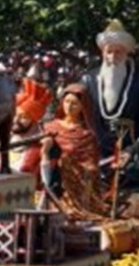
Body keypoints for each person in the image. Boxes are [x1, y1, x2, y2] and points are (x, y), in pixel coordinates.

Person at [80, 20, 139, 160]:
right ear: (102, 52)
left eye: (118, 52)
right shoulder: (88, 80)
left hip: (132, 154)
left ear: (126, 53)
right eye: (109, 52)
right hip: (95, 153)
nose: (113, 57)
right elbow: (79, 119)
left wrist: (132, 151)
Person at [40, 84, 105, 218]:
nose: (69, 107)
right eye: (67, 102)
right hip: (52, 179)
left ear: (83, 106)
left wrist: (71, 165)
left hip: (78, 185)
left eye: (74, 103)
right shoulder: (51, 127)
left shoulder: (87, 134)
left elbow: (91, 164)